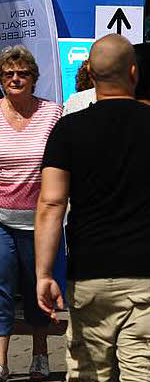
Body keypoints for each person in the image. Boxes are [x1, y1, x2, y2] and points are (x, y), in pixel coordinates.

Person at [35, 34, 150, 382]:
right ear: (133, 72)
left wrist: (44, 273)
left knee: (89, 374)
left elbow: (52, 202)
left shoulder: (68, 129)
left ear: (89, 72)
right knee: (147, 374)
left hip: (89, 273)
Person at [0, 46, 63, 381]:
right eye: (9, 73)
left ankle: (40, 355)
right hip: (0, 220)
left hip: (41, 220)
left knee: (37, 288)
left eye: (22, 73)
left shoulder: (53, 113)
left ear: (34, 79)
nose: (15, 78)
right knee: (1, 288)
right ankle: (1, 361)